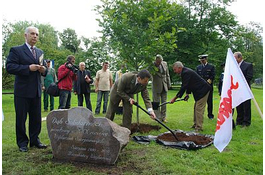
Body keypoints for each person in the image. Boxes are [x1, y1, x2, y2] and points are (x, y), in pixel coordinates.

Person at [6, 26, 47, 152]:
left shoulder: (40, 52)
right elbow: (10, 67)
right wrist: (28, 68)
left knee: (36, 119)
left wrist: (44, 70)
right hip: (22, 92)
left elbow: (44, 69)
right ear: (25, 35)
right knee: (21, 119)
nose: (35, 36)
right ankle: (22, 143)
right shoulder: (16, 50)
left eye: (37, 34)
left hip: (36, 91)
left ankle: (35, 141)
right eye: (32, 34)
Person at [170, 61, 210, 132]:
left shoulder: (186, 72)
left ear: (179, 68)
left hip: (203, 90)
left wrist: (174, 98)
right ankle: (195, 124)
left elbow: (184, 86)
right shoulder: (185, 72)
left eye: (175, 69)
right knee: (196, 108)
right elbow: (188, 84)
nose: (174, 71)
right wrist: (187, 94)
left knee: (199, 109)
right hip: (199, 91)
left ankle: (199, 127)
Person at [234, 52, 253, 127]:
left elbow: (249, 76)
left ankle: (246, 122)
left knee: (246, 106)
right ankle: (239, 121)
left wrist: (240, 80)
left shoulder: (248, 65)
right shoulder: (234, 66)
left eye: (235, 57)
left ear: (239, 58)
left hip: (245, 89)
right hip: (237, 89)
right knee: (239, 105)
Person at [151, 54, 171, 122]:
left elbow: (167, 74)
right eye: (158, 62)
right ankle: (157, 118)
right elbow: (150, 75)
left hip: (164, 85)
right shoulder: (152, 65)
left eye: (160, 62)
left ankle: (163, 117)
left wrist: (169, 84)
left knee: (164, 103)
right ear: (155, 60)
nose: (159, 63)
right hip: (156, 86)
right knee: (156, 103)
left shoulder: (165, 64)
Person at [196, 54, 215, 119]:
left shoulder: (211, 67)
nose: (202, 61)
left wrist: (207, 83)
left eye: (203, 60)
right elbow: (197, 76)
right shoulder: (198, 67)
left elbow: (212, 76)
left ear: (206, 59)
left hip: (208, 86)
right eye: (201, 60)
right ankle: (200, 114)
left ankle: (210, 115)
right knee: (200, 101)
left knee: (209, 101)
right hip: (201, 87)